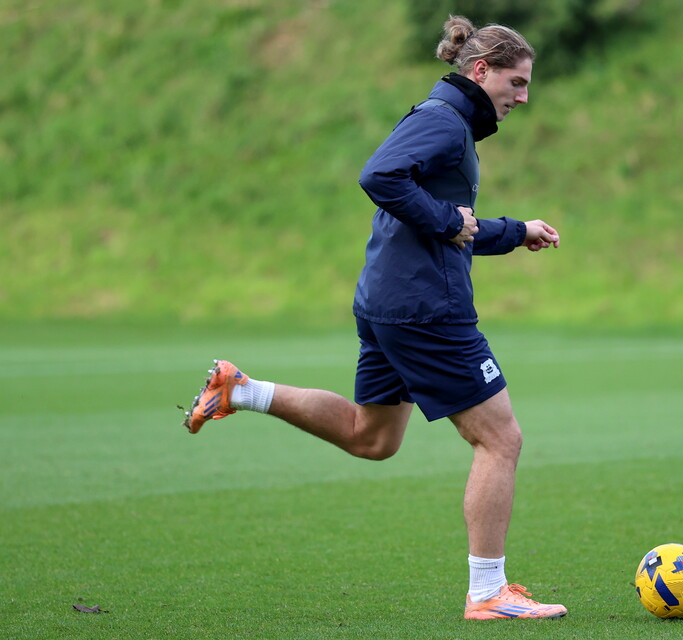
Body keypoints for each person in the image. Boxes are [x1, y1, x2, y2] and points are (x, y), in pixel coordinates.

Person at [181, 15, 566, 620]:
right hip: (427, 311)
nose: (523, 97)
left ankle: (242, 390)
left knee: (373, 437)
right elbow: (381, 178)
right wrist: (449, 222)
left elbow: (446, 223)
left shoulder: (448, 120)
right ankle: (489, 594)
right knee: (500, 439)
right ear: (481, 70)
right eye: (516, 83)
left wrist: (516, 233)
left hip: (390, 302)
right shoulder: (443, 121)